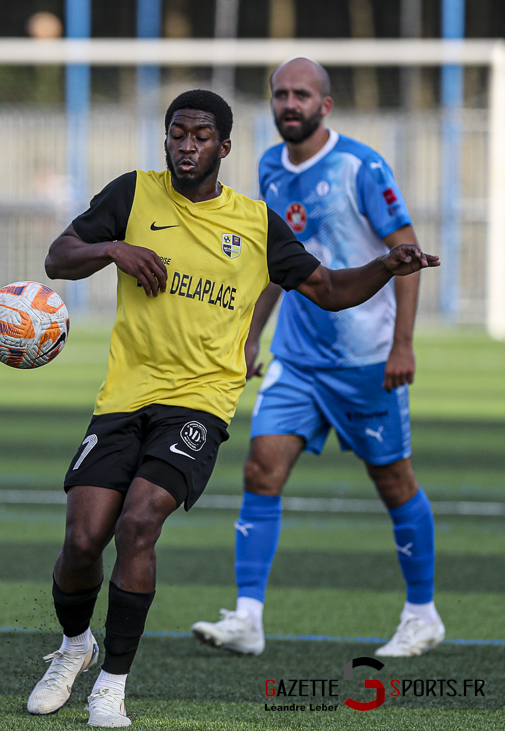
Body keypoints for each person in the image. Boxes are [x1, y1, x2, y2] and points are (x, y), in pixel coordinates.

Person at [25, 89, 438, 728]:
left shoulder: (255, 222)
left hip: (201, 402)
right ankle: (76, 647)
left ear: (223, 145)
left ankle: (112, 683)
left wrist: (385, 266)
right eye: (177, 133)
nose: (187, 145)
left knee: (139, 523)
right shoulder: (132, 195)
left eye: (200, 135)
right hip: (124, 396)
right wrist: (113, 250)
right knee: (83, 540)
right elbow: (58, 257)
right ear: (165, 140)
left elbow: (326, 289)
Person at [190, 58, 444, 659]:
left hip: (364, 360)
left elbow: (404, 253)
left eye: (301, 94)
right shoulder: (270, 165)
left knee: (393, 480)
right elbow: (282, 261)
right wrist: (252, 336)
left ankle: (423, 613)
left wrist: (402, 344)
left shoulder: (361, 165)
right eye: (280, 94)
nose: (289, 103)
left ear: (325, 105)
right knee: (260, 469)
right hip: (298, 360)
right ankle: (248, 617)